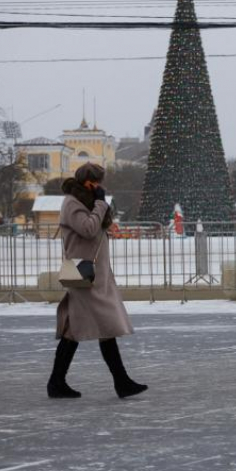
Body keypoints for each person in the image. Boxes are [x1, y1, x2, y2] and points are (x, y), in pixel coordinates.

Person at [47, 162, 148, 399]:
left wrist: (99, 205)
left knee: (75, 331)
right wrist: (101, 204)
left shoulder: (86, 201)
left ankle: (57, 382)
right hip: (84, 276)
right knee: (104, 325)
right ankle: (121, 382)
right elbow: (89, 229)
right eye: (95, 182)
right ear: (85, 181)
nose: (99, 186)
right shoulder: (72, 203)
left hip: (94, 276)